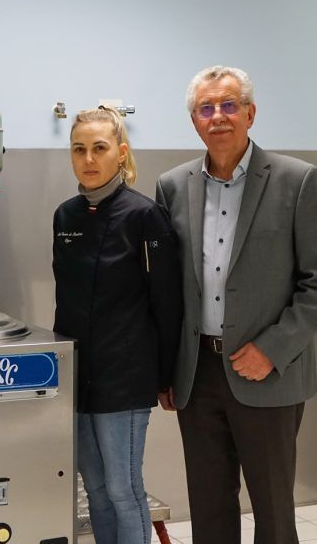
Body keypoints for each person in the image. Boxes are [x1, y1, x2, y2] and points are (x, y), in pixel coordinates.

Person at [155, 66, 317, 544]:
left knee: (274, 513)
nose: (219, 116)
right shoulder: (172, 187)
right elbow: (169, 291)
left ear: (250, 114)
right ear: (194, 120)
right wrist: (168, 370)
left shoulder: (296, 181)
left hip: (267, 374)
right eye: (206, 108)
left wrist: (272, 349)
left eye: (229, 105)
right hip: (198, 377)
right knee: (209, 509)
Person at [52, 107, 182, 544]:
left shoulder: (145, 216)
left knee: (124, 490)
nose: (89, 158)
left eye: (100, 148)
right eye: (79, 149)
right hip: (78, 378)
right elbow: (63, 302)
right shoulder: (65, 216)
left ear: (121, 153)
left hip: (125, 377)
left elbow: (167, 303)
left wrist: (166, 376)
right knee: (95, 490)